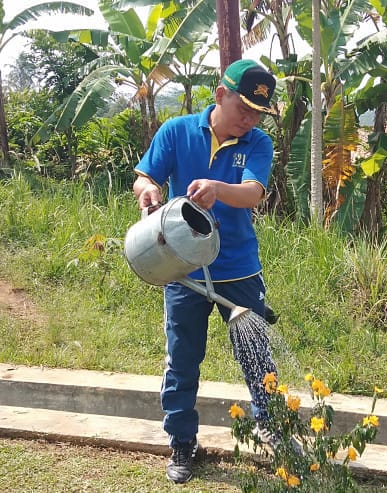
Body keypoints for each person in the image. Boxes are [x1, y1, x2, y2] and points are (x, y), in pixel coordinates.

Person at [132, 59, 282, 484]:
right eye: (243, 109)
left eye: (258, 113)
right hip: (184, 268)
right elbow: (144, 177)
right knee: (182, 359)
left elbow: (252, 193)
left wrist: (218, 190)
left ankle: (271, 425)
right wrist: (150, 192)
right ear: (220, 95)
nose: (249, 119)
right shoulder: (177, 131)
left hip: (238, 268)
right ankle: (182, 442)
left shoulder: (257, 144)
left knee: (255, 353)